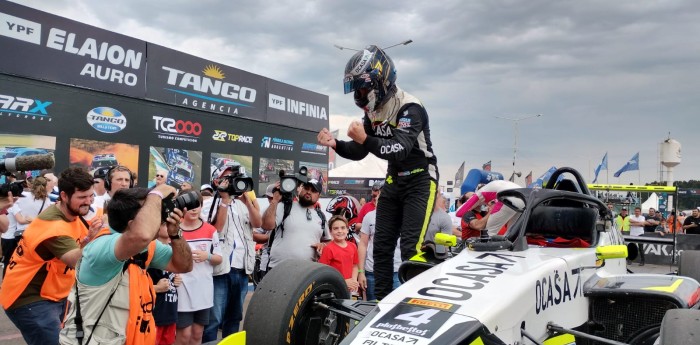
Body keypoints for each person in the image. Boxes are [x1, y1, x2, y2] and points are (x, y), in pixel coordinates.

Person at [318, 45, 438, 300]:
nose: (360, 95)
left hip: (420, 178)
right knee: (381, 246)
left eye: (363, 88)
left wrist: (365, 138)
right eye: (356, 90)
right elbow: (360, 151)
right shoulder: (372, 112)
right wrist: (335, 144)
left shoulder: (410, 107)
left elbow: (400, 149)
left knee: (410, 247)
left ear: (380, 81)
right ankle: (381, 303)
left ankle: (414, 302)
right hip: (394, 179)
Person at [60, 185, 193, 345]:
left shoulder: (146, 247)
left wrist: (175, 234)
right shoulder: (102, 247)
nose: (158, 218)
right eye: (151, 211)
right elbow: (141, 235)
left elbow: (184, 265)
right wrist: (156, 194)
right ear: (132, 224)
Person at [0, 167, 98, 345]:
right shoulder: (53, 226)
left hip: (54, 293)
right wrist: (93, 240)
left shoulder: (74, 213)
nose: (88, 202)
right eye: (82, 197)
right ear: (64, 196)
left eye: (91, 196)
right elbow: (78, 261)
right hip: (29, 298)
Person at [202, 164, 262, 342]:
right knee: (214, 319)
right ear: (217, 181)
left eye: (235, 178)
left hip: (242, 268)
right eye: (228, 178)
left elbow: (258, 222)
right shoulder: (208, 203)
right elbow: (217, 229)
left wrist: (248, 202)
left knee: (234, 318)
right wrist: (224, 201)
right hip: (220, 269)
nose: (232, 181)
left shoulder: (243, 204)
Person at [176, 191, 222, 345]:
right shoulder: (174, 230)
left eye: (197, 205)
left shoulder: (210, 230)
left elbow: (218, 258)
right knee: (183, 336)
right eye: (189, 206)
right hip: (182, 290)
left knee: (197, 335)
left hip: (203, 290)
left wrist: (206, 256)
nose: (194, 209)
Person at [261, 177, 329, 269]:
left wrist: (323, 245)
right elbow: (266, 225)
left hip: (306, 272)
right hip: (278, 269)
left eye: (313, 190)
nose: (308, 192)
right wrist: (275, 200)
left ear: (318, 196)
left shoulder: (321, 216)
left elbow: (328, 241)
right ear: (300, 189)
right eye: (306, 188)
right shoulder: (285, 206)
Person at [148, 222, 182, 345]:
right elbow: (137, 285)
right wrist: (156, 288)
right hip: (154, 316)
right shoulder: (149, 250)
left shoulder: (175, 249)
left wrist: (177, 279)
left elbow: (172, 275)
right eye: (165, 224)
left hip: (170, 313)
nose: (169, 227)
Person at [357, 205, 401, 301]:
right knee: (373, 308)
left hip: (397, 271)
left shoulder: (403, 215)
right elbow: (363, 244)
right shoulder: (369, 216)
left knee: (397, 308)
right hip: (373, 272)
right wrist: (361, 272)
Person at [319, 216, 360, 293]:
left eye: (343, 228)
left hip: (350, 288)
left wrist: (354, 281)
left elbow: (355, 265)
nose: (340, 231)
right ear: (330, 232)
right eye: (336, 228)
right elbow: (324, 272)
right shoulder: (328, 249)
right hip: (335, 288)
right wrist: (344, 281)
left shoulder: (353, 246)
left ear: (347, 230)